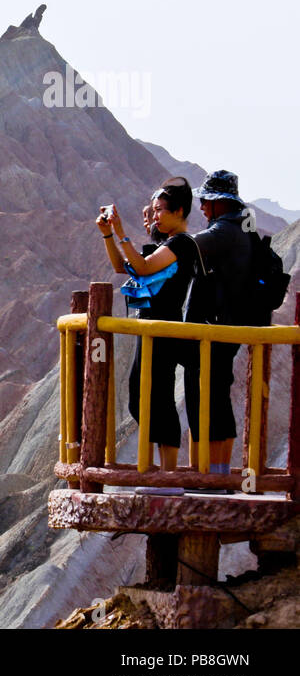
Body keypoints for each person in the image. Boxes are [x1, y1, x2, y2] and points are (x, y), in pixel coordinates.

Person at [96, 178, 196, 470]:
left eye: (160, 211)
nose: (154, 217)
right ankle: (157, 469)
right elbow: (123, 267)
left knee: (161, 397)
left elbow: (142, 267)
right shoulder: (166, 244)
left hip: (165, 327)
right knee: (140, 396)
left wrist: (121, 232)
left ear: (179, 211)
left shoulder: (182, 244)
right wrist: (108, 236)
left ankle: (168, 473)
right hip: (150, 328)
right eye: (153, 212)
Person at [182, 170, 253, 474]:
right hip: (226, 327)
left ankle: (208, 473)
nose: (202, 207)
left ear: (221, 203)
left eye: (207, 201)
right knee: (216, 397)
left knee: (205, 398)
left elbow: (185, 248)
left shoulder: (225, 230)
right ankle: (216, 471)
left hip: (214, 329)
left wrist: (168, 232)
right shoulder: (242, 228)